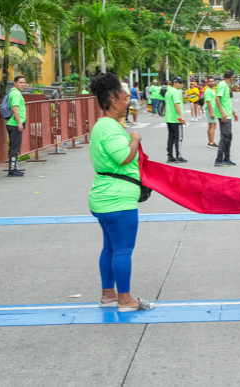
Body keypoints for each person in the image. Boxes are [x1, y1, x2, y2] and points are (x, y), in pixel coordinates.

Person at [87, 72, 155, 312]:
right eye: (125, 99)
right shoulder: (110, 128)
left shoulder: (102, 126)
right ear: (114, 101)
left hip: (104, 197)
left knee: (111, 248)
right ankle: (125, 300)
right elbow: (124, 156)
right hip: (117, 200)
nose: (128, 103)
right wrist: (134, 139)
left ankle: (109, 295)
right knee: (123, 250)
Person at [215, 70, 238, 166]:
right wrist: (222, 112)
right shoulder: (222, 85)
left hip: (227, 114)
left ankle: (227, 158)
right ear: (232, 77)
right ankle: (219, 159)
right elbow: (217, 98)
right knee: (225, 137)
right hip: (224, 115)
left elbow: (227, 102)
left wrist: (234, 113)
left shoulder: (226, 86)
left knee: (228, 137)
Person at [5, 75, 27, 177]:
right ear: (15, 83)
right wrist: (19, 123)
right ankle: (12, 170)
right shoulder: (16, 94)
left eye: (24, 82)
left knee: (14, 148)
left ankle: (13, 168)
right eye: (20, 82)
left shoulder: (14, 93)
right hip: (14, 124)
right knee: (14, 148)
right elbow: (15, 109)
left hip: (13, 123)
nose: (23, 84)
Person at [164, 77, 187, 163]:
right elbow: (176, 104)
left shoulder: (168, 91)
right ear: (175, 83)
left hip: (169, 118)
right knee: (179, 138)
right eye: (180, 82)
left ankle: (170, 156)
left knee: (171, 138)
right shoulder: (176, 92)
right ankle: (178, 156)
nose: (181, 84)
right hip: (176, 118)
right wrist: (182, 116)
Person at [203, 76, 219, 148]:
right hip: (211, 109)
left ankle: (211, 141)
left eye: (213, 81)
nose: (212, 82)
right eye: (210, 81)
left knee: (213, 125)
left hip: (214, 108)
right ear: (207, 82)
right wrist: (211, 112)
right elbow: (209, 102)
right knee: (212, 126)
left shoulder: (212, 90)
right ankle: (211, 142)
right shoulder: (208, 91)